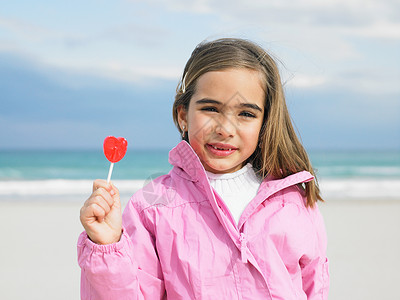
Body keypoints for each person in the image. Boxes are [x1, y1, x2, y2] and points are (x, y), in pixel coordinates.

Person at [78, 38, 329, 299]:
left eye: (246, 114)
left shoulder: (292, 199)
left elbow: (314, 288)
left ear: (265, 121)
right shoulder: (152, 203)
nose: (225, 129)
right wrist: (106, 246)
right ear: (183, 115)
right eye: (210, 109)